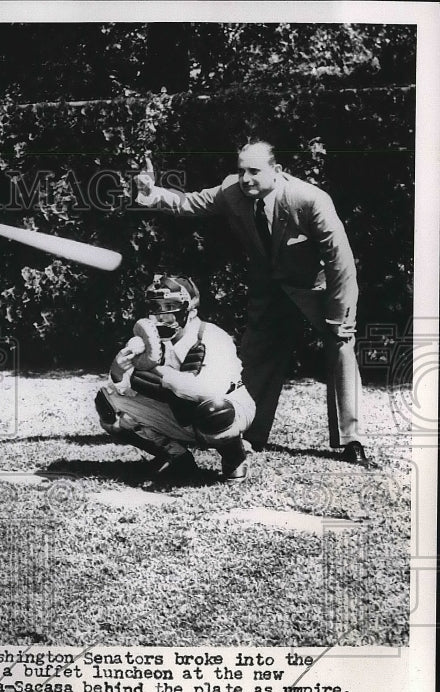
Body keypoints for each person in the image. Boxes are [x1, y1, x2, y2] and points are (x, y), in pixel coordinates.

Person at [132, 140, 370, 466]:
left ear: (277, 171)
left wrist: (341, 313)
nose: (246, 179)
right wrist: (151, 193)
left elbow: (339, 259)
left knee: (341, 347)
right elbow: (189, 203)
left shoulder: (310, 199)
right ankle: (248, 432)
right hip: (270, 290)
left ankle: (352, 440)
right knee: (255, 356)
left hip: (316, 288)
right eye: (241, 170)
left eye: (254, 171)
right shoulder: (232, 192)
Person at [95, 275, 256, 482]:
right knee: (107, 404)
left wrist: (156, 370)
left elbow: (207, 391)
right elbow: (121, 388)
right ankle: (175, 456)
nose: (160, 316)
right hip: (179, 411)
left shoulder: (212, 337)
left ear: (191, 311)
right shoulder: (147, 340)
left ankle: (234, 456)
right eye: (156, 307)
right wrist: (118, 371)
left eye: (170, 306)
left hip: (229, 407)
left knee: (214, 411)